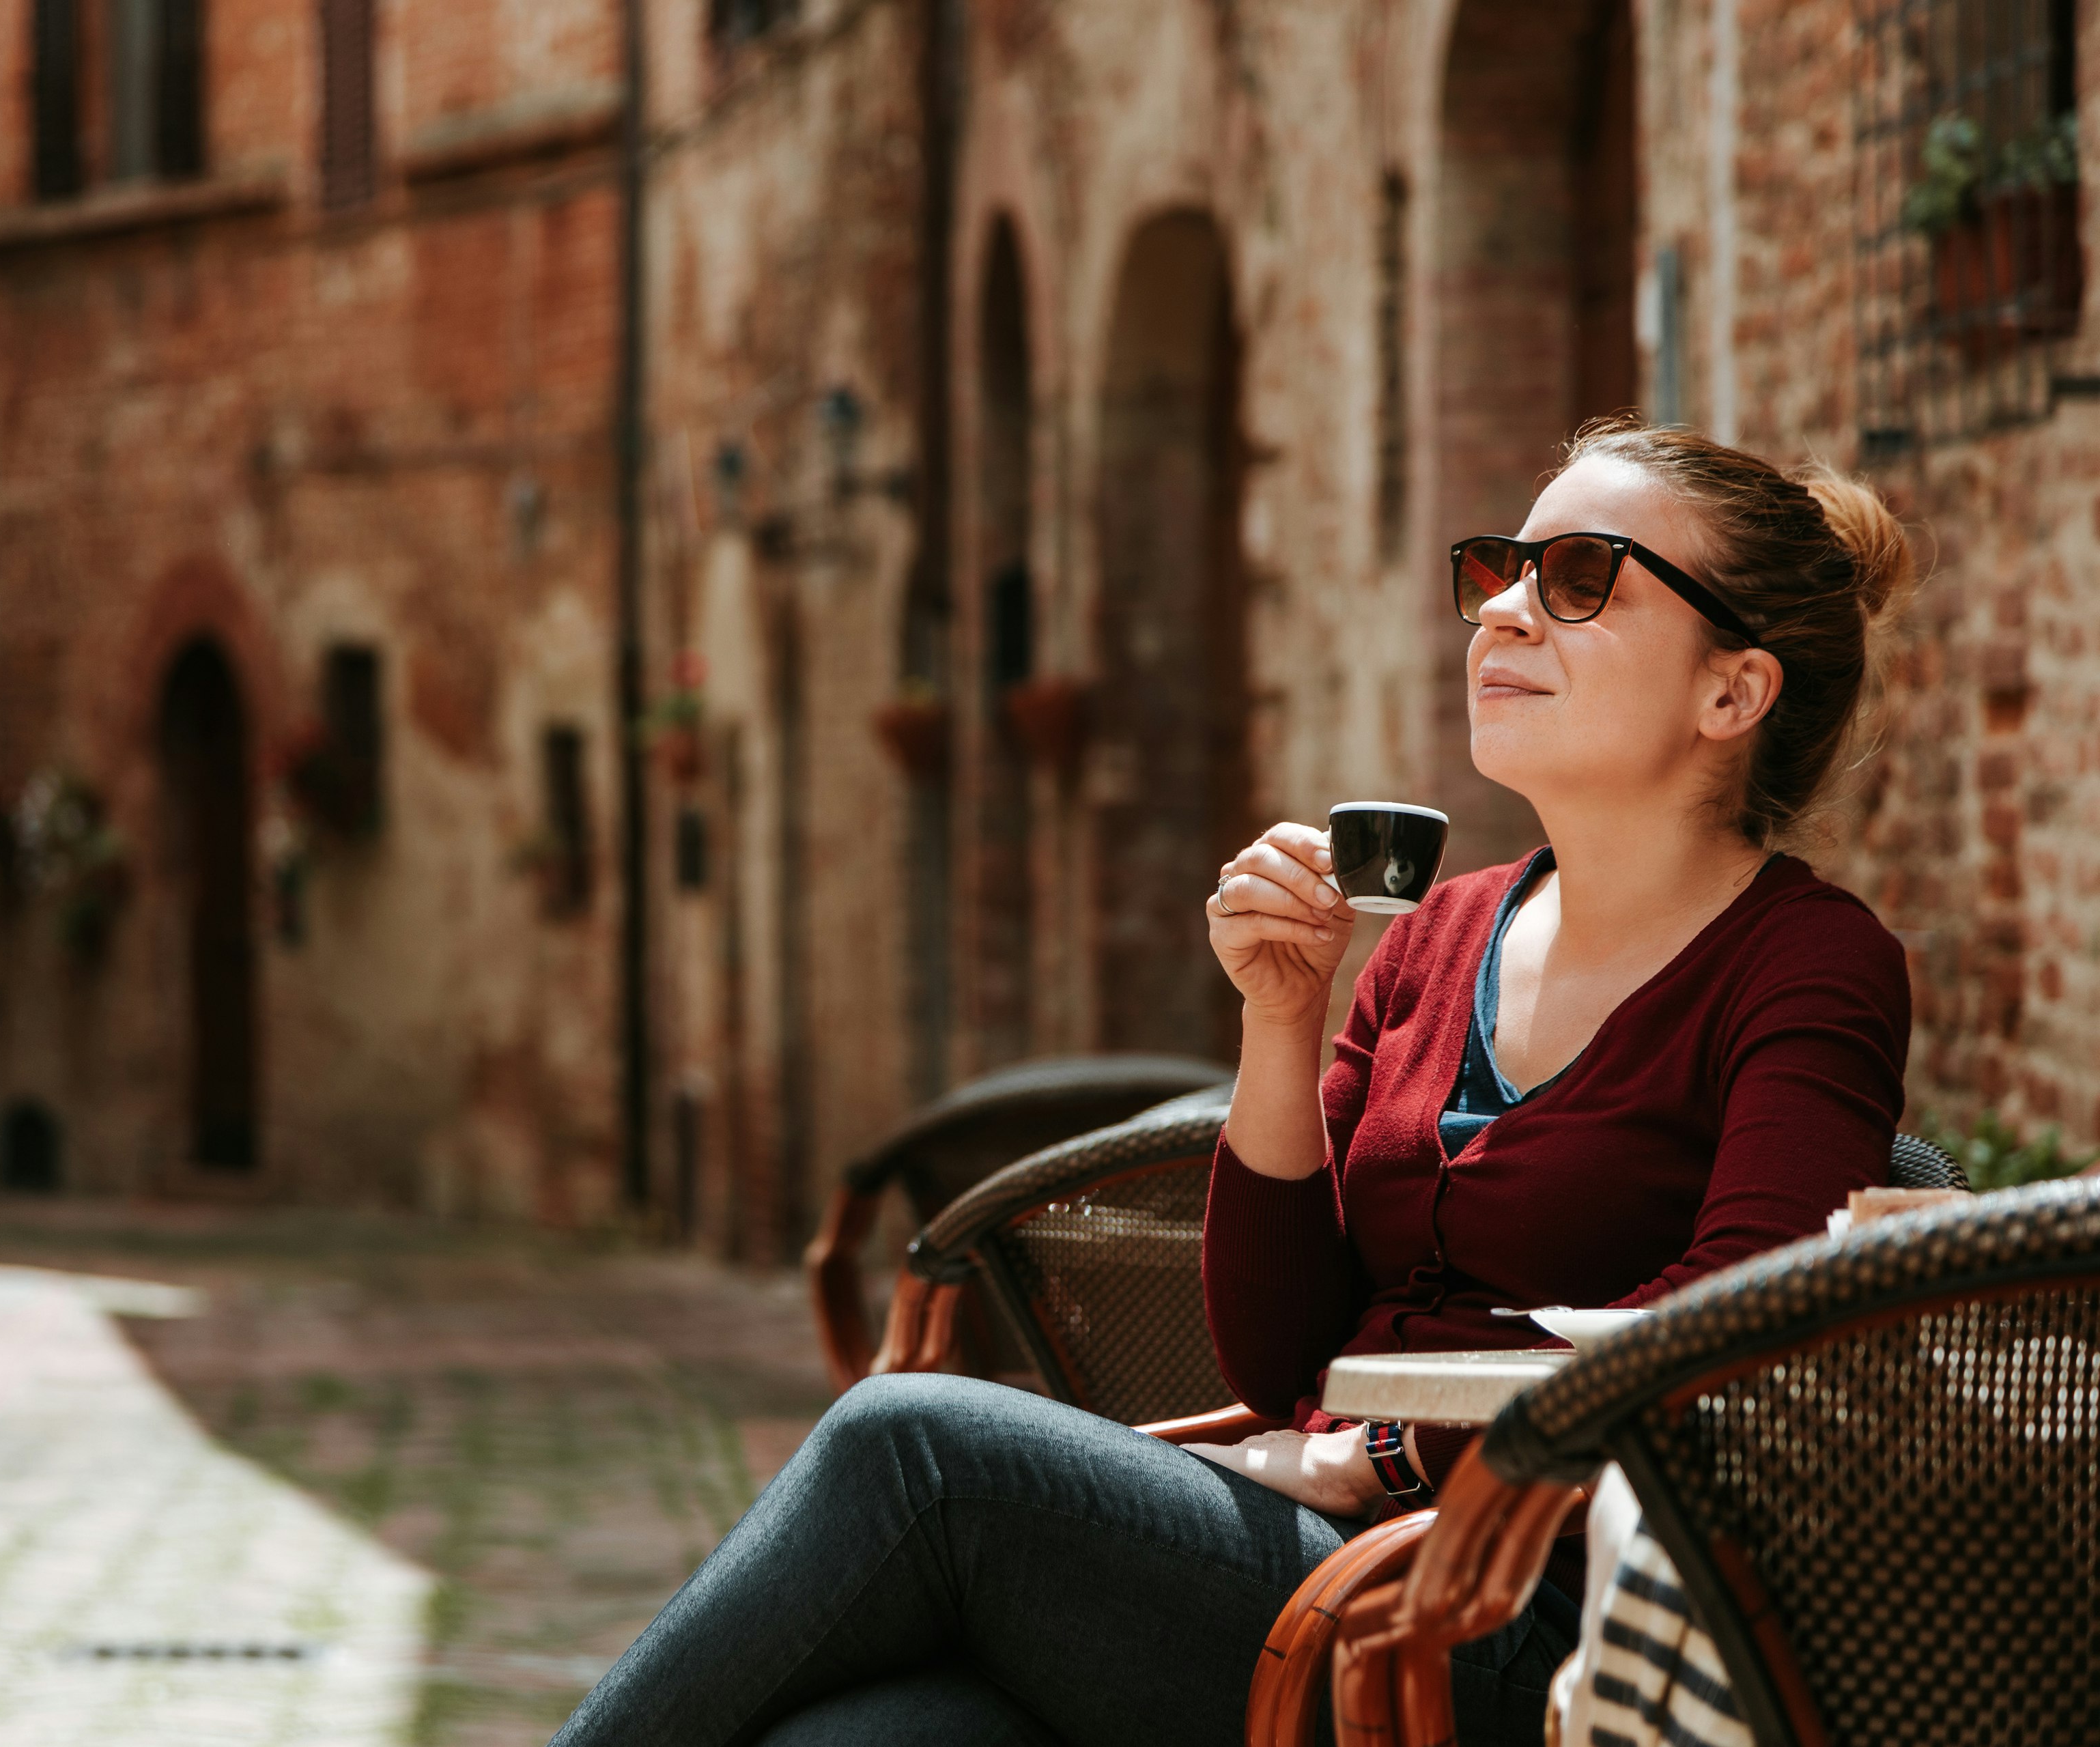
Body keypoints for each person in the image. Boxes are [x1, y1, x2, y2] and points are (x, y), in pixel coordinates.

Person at [549, 419, 1916, 1747]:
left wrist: (1368, 1459)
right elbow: (1276, 1353)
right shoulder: (1439, 935)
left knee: (913, 1442)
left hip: (1532, 1625)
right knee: (880, 1732)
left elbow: (1735, 1338)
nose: (1501, 613)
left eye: (1578, 580)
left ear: (1731, 692)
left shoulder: (1807, 965)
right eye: (1500, 571)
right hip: (1303, 1573)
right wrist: (1284, 1016)